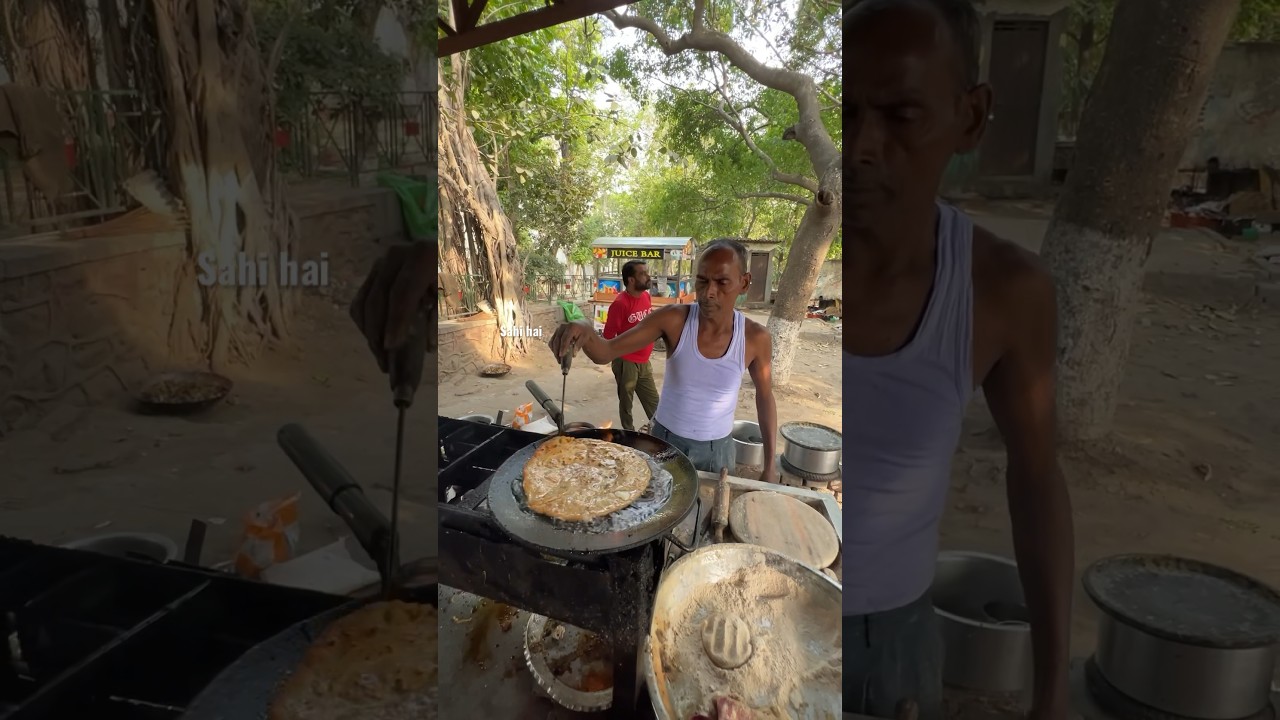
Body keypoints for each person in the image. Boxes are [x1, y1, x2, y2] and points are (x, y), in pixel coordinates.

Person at [843, 2, 1074, 720]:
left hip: (891, 647)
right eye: (846, 113)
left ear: (969, 119)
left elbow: (1036, 480)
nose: (861, 147)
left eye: (901, 115)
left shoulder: (1002, 292)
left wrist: (1051, 695)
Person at [549, 240, 778, 481]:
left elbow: (765, 397)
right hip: (665, 443)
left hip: (717, 453)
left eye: (722, 282)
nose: (709, 292)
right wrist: (584, 327)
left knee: (710, 504)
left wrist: (770, 466)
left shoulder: (755, 338)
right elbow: (605, 352)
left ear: (744, 283)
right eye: (702, 281)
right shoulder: (674, 320)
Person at [602, 260, 660, 432]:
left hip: (644, 362)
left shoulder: (646, 297)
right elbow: (608, 336)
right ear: (631, 280)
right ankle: (629, 434)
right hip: (626, 362)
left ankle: (661, 433)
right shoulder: (620, 304)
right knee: (626, 404)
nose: (648, 276)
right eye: (643, 273)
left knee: (655, 405)